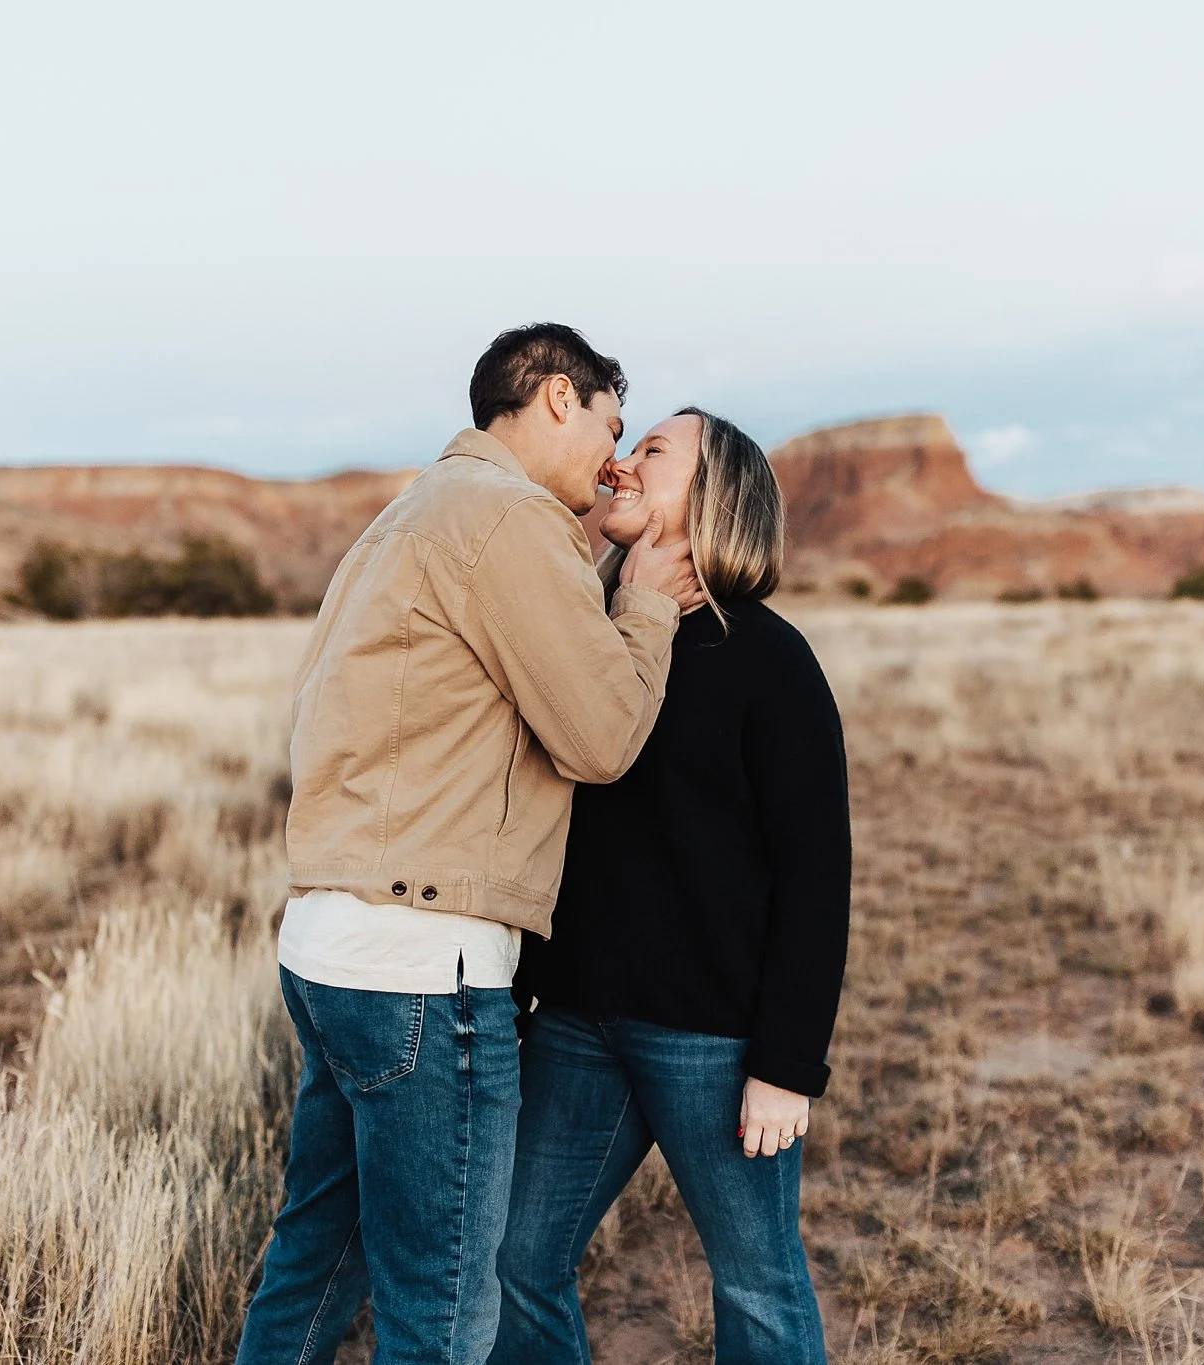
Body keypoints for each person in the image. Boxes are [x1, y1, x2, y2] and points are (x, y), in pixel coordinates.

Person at [236, 324, 704, 1365]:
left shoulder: (411, 514)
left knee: (313, 1268)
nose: (614, 460)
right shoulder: (508, 518)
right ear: (557, 397)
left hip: (327, 951)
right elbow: (600, 738)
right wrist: (644, 606)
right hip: (422, 968)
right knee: (440, 1313)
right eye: (611, 426)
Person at [491, 408, 853, 1365]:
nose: (623, 461)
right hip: (575, 1023)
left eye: (652, 451)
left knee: (757, 1284)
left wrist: (787, 1065)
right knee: (514, 1258)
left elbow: (818, 876)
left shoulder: (770, 660)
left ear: (712, 498)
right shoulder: (593, 643)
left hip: (714, 1042)